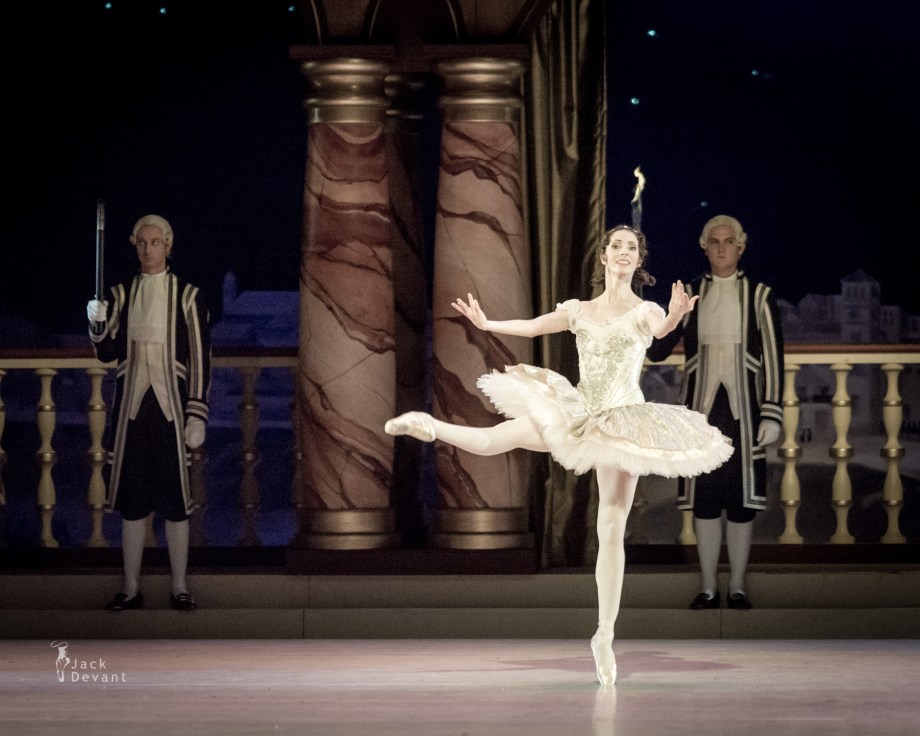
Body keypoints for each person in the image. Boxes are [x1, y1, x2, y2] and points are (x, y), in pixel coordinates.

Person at [385, 224, 733, 685]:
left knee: (610, 526)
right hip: (577, 411)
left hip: (622, 421)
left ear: (637, 259)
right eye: (617, 246)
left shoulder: (643, 310)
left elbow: (661, 328)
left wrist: (673, 318)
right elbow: (532, 327)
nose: (624, 253)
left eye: (632, 247)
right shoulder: (579, 310)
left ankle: (604, 635)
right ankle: (430, 427)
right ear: (605, 257)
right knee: (502, 436)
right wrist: (488, 324)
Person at [646, 214, 784, 611]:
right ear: (704, 247)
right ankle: (708, 587)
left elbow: (774, 359)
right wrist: (661, 315)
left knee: (742, 505)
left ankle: (737, 587)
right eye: (714, 241)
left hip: (746, 414)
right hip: (700, 416)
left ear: (740, 247)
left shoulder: (759, 295)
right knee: (704, 502)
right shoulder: (689, 293)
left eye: (729, 241)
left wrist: (772, 414)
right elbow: (657, 350)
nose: (721, 248)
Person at [86, 214, 211, 612]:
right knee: (132, 502)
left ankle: (179, 586)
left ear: (168, 245)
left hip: (172, 412)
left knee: (176, 502)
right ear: (134, 245)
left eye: (155, 242)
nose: (148, 249)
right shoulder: (120, 295)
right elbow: (106, 352)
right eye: (142, 242)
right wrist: (97, 323)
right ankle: (131, 587)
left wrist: (197, 413)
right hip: (132, 414)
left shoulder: (189, 296)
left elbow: (200, 358)